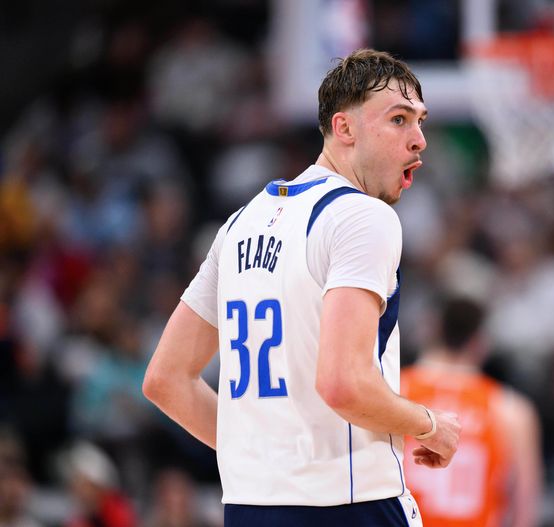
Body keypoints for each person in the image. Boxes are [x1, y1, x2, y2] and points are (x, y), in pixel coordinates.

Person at [143, 49, 461, 526]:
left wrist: (261, 460)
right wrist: (430, 426)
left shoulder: (239, 223)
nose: (419, 139)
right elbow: (344, 383)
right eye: (399, 119)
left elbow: (165, 379)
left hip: (250, 508)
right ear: (344, 128)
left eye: (420, 121)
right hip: (348, 506)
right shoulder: (362, 216)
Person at [402, 297, 543, 527]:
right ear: (481, 342)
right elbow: (524, 504)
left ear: (433, 330)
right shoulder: (510, 409)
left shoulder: (395, 390)